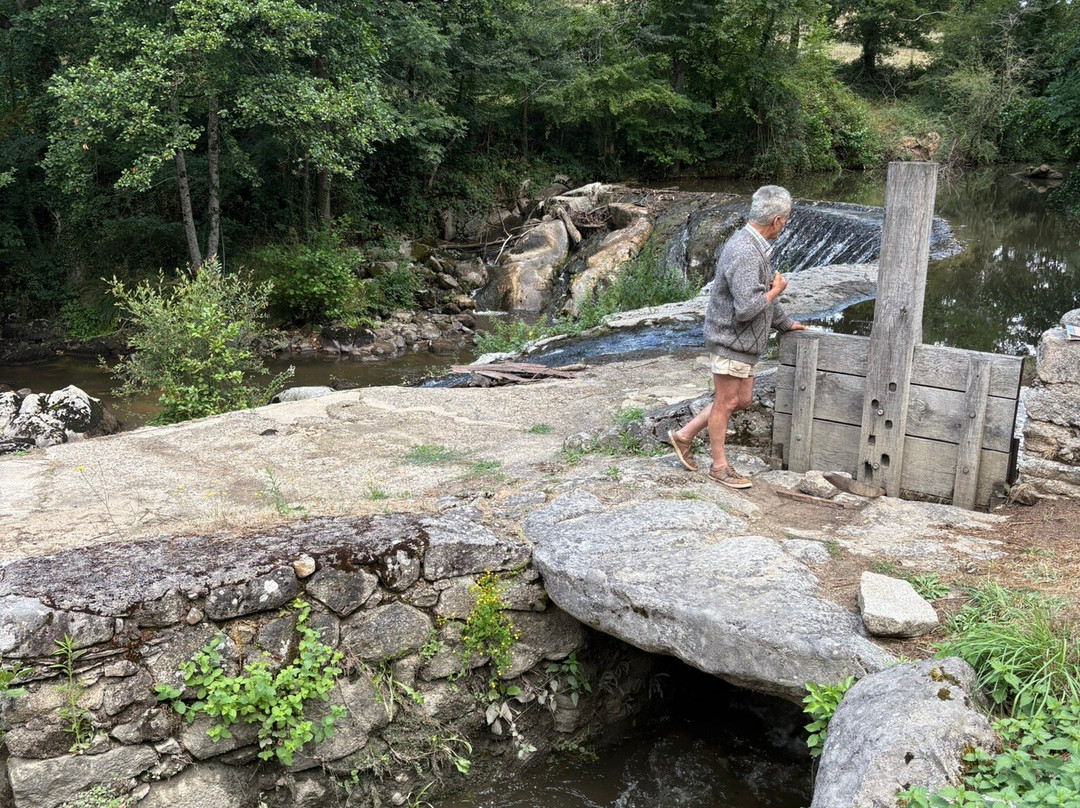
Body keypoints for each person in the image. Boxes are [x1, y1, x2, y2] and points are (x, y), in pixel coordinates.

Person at [668, 185, 805, 489]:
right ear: (777, 221)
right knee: (726, 401)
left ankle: (684, 436)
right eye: (785, 221)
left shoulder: (754, 246)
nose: (785, 225)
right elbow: (747, 308)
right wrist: (777, 290)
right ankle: (719, 468)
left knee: (741, 400)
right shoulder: (745, 252)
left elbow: (759, 297)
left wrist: (786, 324)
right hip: (731, 340)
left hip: (743, 343)